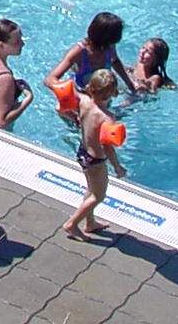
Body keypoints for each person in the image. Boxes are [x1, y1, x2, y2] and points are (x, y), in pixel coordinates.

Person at [62, 69, 126, 241]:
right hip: (96, 160)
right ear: (111, 93)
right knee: (98, 195)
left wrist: (75, 118)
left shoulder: (83, 101)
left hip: (83, 153)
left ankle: (90, 222)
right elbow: (107, 148)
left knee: (91, 190)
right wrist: (117, 167)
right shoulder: (107, 118)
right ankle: (72, 224)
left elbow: (60, 107)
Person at [50, 11, 139, 105]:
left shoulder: (109, 47)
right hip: (82, 92)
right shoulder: (80, 51)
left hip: (103, 92)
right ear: (106, 39)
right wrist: (77, 96)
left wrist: (130, 84)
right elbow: (51, 79)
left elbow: (115, 61)